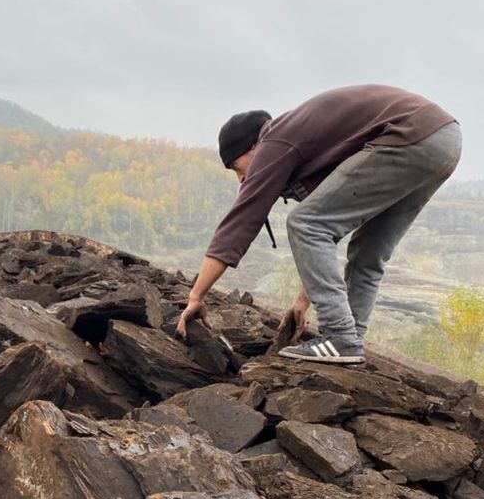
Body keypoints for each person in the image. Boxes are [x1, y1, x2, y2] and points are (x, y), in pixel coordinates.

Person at [176, 84, 461, 364]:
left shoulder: (274, 141)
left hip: (411, 134)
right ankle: (350, 341)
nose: (241, 179)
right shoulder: (301, 137)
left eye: (238, 168)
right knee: (369, 252)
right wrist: (303, 302)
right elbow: (324, 236)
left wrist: (196, 295)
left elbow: (240, 223)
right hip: (442, 139)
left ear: (253, 147)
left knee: (303, 223)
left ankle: (340, 336)